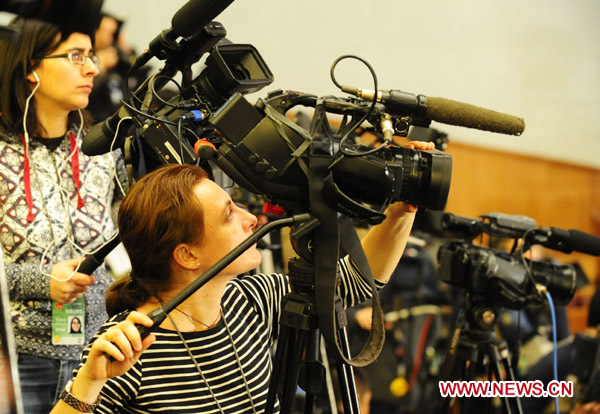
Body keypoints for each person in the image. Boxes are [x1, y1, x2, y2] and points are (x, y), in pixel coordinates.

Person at [50, 140, 432, 413]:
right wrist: (89, 381)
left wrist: (402, 210)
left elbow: (354, 283)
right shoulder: (130, 345)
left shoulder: (250, 299)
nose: (253, 220)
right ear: (187, 254)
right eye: (230, 214)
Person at [0, 17, 127, 414]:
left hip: (98, 357)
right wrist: (40, 282)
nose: (92, 68)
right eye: (75, 56)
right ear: (30, 67)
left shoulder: (104, 153)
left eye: (91, 56)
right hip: (17, 361)